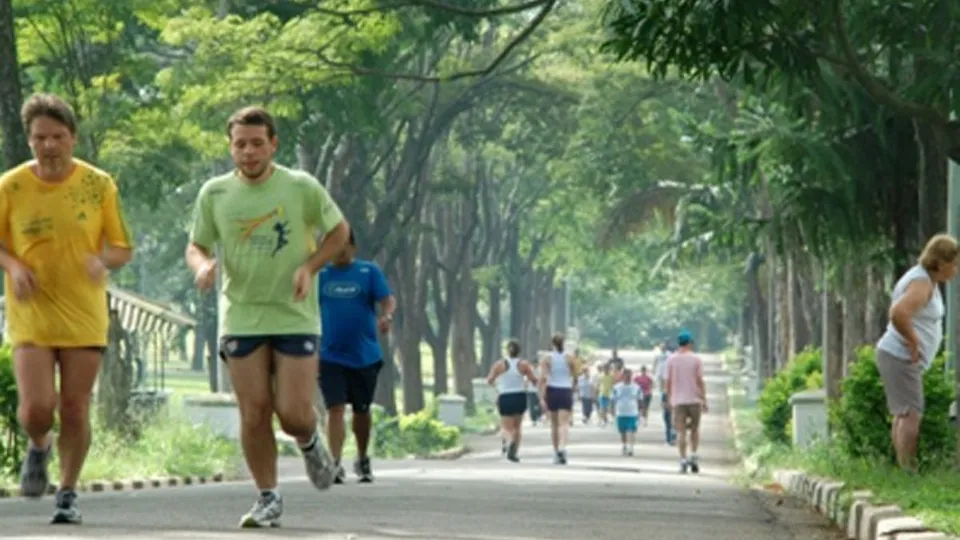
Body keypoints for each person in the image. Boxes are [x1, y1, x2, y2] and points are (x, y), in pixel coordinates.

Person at [186, 106, 349, 528]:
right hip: (241, 314)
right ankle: (267, 496)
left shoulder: (300, 187)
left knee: (292, 412)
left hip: (295, 313)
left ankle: (311, 442)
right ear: (231, 147)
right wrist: (202, 267)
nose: (248, 152)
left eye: (257, 143)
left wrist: (310, 268)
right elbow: (197, 244)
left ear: (273, 144)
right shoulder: (214, 193)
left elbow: (339, 232)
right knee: (254, 411)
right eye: (240, 144)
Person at [0, 93, 134, 524]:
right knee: (37, 408)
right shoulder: (11, 186)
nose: (50, 146)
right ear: (30, 140)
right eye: (41, 137)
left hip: (83, 314)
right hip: (32, 311)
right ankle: (39, 446)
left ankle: (68, 492)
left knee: (75, 407)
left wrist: (102, 260)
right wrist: (14, 265)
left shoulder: (98, 185)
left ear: (73, 138)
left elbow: (122, 248)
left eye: (58, 136)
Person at [318, 229, 395, 484]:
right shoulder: (320, 275)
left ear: (353, 247)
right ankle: (335, 463)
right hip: (330, 355)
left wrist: (386, 316)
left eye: (343, 247)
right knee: (335, 409)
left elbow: (387, 299)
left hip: (365, 356)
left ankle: (362, 457)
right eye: (333, 247)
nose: (338, 253)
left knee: (361, 411)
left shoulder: (368, 272)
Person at [876, 234, 958, 472]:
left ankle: (902, 469)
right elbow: (898, 313)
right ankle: (908, 470)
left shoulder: (925, 280)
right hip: (901, 356)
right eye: (954, 264)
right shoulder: (921, 284)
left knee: (904, 414)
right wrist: (913, 342)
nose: (956, 270)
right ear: (940, 262)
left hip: (898, 356)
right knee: (912, 414)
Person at [487, 339, 538, 462]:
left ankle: (509, 443)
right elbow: (534, 380)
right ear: (519, 351)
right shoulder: (524, 365)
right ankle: (514, 451)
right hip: (519, 396)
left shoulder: (499, 365)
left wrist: (498, 386)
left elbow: (489, 380)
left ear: (507, 350)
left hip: (505, 397)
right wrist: (525, 381)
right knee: (517, 426)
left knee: (506, 427)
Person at [666, 331, 707, 474]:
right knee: (695, 429)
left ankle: (683, 459)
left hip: (678, 400)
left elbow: (668, 381)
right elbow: (699, 380)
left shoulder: (671, 359)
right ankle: (694, 455)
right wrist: (704, 399)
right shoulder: (696, 359)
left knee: (681, 431)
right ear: (690, 343)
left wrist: (669, 398)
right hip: (694, 399)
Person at [539, 333, 578, 464]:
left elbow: (543, 378)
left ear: (552, 344)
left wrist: (542, 396)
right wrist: (572, 389)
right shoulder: (570, 358)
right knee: (564, 423)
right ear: (564, 343)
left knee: (554, 425)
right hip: (565, 390)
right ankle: (563, 447)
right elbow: (575, 375)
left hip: (552, 390)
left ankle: (556, 452)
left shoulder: (547, 359)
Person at [612, 368, 642, 456]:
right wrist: (612, 410)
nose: (627, 377)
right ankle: (624, 445)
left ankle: (631, 447)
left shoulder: (636, 387)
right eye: (625, 375)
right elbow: (613, 399)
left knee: (632, 430)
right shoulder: (617, 387)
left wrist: (641, 411)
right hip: (621, 412)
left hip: (632, 412)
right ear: (622, 376)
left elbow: (640, 399)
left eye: (629, 375)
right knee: (623, 431)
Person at [654, 341, 675, 445]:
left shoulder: (670, 355)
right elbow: (655, 362)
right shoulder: (658, 355)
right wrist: (654, 370)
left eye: (664, 346)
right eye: (661, 346)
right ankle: (670, 437)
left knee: (671, 419)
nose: (662, 348)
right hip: (660, 371)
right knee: (662, 385)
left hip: (666, 372)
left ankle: (671, 436)